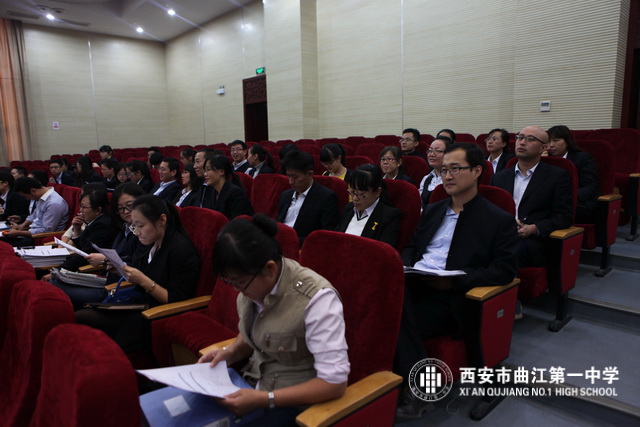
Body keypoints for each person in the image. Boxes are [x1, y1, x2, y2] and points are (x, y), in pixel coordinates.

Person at [395, 143, 518, 418]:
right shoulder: (433, 209)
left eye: (455, 169)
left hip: (452, 297)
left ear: (477, 171)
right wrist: (405, 265)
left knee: (393, 316)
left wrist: (456, 280)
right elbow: (412, 246)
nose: (447, 176)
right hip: (414, 283)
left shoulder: (497, 219)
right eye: (443, 170)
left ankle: (419, 388)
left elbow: (504, 270)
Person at [198, 215, 349, 424]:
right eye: (230, 282)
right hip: (252, 385)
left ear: (270, 269)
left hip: (293, 406)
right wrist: (230, 352)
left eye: (240, 283)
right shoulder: (253, 285)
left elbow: (334, 383)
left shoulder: (317, 300)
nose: (236, 290)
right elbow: (256, 331)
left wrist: (264, 399)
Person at [75, 195, 200, 353]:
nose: (137, 232)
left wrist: (142, 280)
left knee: (91, 324)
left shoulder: (180, 250)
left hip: (156, 314)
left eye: (140, 225)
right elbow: (143, 272)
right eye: (134, 226)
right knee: (82, 317)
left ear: (162, 220)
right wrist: (121, 270)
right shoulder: (152, 243)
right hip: (139, 302)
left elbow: (176, 299)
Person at [491, 126, 573, 268]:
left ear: (543, 148)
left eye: (530, 139)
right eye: (520, 137)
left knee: (505, 252)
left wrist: (534, 228)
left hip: (531, 240)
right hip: (501, 234)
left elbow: (564, 217)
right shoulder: (499, 178)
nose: (522, 142)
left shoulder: (557, 177)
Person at [46, 189, 119, 308]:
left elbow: (85, 254)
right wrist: (77, 229)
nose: (80, 211)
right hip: (88, 265)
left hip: (98, 272)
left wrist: (58, 270)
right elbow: (83, 248)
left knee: (53, 284)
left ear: (98, 210)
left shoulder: (103, 225)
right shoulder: (94, 221)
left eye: (84, 207)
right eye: (80, 206)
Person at [277, 150, 339, 245]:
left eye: (295, 177)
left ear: (310, 174)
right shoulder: (285, 195)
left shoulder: (326, 198)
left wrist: (290, 241)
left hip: (303, 247)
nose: (290, 182)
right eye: (288, 176)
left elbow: (326, 235)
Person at [335, 164, 401, 247]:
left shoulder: (388, 216)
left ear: (377, 192)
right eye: (352, 192)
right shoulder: (348, 209)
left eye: (361, 194)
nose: (355, 198)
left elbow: (384, 251)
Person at [547, 125, 599, 223]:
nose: (551, 145)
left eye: (556, 140)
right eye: (548, 142)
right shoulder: (546, 159)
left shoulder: (583, 158)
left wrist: (568, 197)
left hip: (576, 201)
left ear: (567, 141)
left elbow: (590, 186)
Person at [2, 177, 69, 246]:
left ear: (33, 191)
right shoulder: (41, 197)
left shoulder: (54, 203)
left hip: (40, 238)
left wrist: (18, 233)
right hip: (32, 233)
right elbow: (34, 215)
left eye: (25, 196)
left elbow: (47, 230)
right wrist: (22, 225)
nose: (27, 199)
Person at [202, 155, 254, 219]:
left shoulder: (235, 194)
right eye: (205, 171)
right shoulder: (213, 191)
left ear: (221, 171)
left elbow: (239, 221)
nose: (205, 174)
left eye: (208, 170)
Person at [418, 136, 453, 206]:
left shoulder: (453, 177)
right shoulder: (426, 178)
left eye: (438, 151)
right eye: (430, 151)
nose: (432, 154)